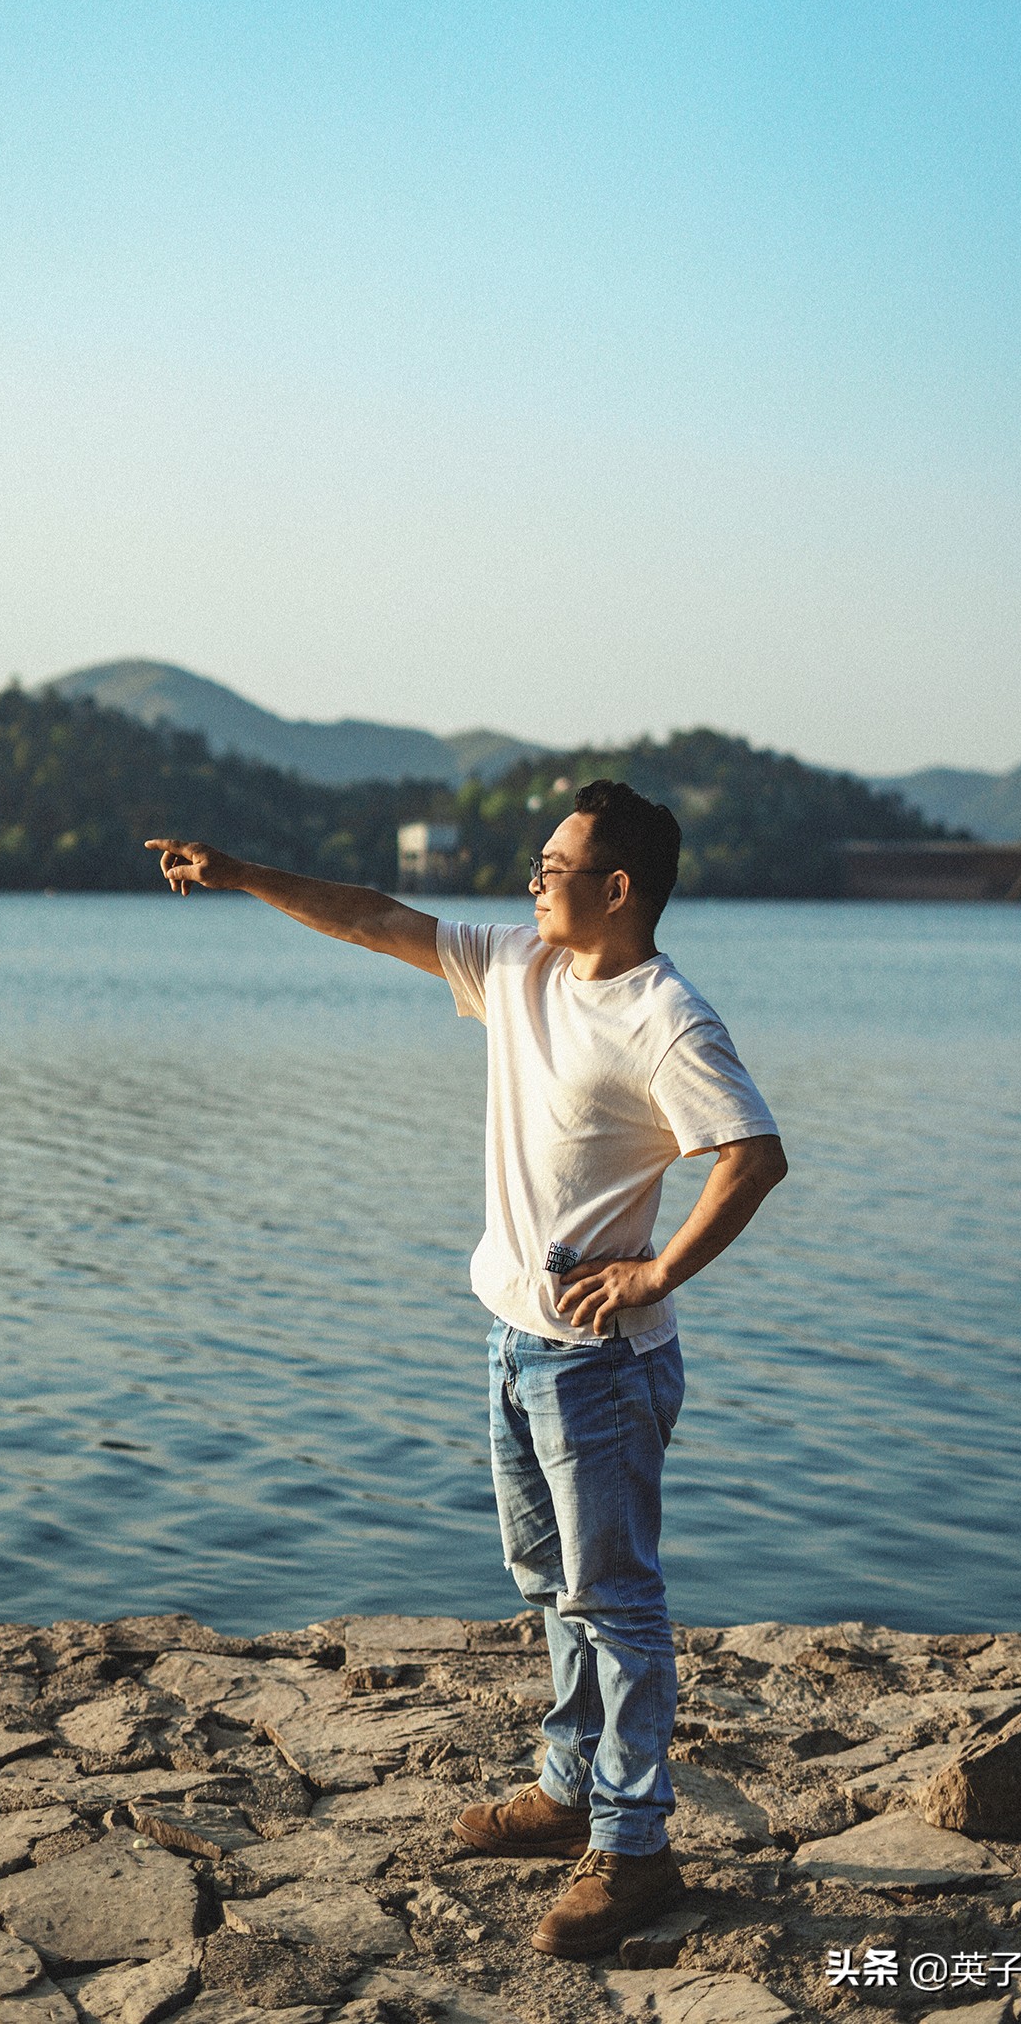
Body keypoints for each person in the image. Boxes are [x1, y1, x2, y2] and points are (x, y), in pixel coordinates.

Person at [145, 781, 787, 1960]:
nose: (530, 880)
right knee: (546, 1583)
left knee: (616, 1602)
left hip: (598, 1364)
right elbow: (371, 916)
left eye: (553, 865)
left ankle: (636, 1847)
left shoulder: (666, 1018)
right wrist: (241, 874)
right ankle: (563, 1792)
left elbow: (752, 1157)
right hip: (512, 1341)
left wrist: (656, 1275)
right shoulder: (520, 970)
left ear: (617, 888)